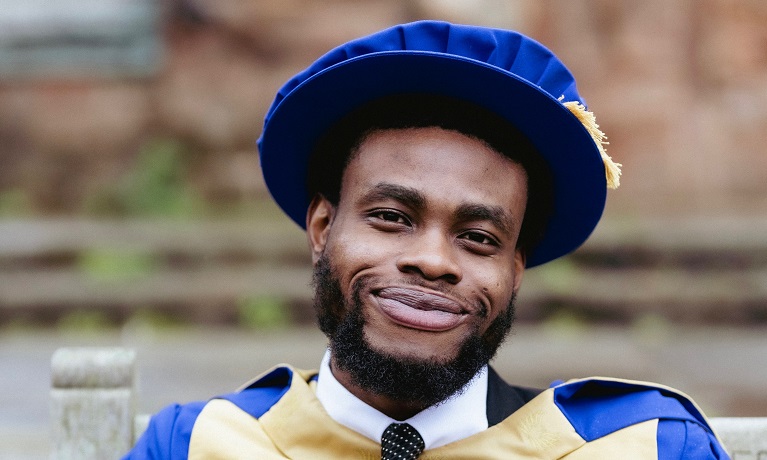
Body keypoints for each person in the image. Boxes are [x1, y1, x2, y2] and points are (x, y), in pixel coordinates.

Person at [124, 21, 729, 459]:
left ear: (515, 269)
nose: (434, 261)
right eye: (391, 217)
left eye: (478, 237)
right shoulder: (199, 445)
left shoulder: (638, 447)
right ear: (322, 228)